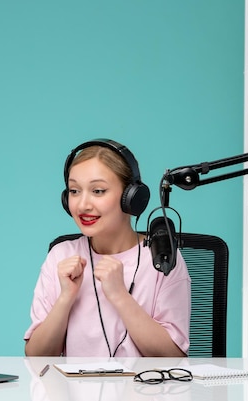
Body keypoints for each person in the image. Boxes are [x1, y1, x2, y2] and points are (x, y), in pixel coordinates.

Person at [24, 139, 191, 357]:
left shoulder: (162, 259)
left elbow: (174, 358)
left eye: (98, 191)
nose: (83, 205)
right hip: (72, 391)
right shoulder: (61, 256)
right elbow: (35, 358)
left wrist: (121, 296)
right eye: (74, 191)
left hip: (144, 390)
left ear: (131, 198)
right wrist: (65, 298)